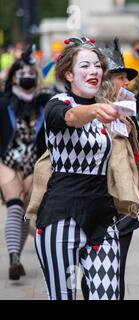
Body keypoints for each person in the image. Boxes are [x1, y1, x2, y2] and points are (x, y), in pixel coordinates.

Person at [33, 37, 125, 300]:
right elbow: (72, 118)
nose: (94, 71)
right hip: (61, 218)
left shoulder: (108, 109)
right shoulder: (57, 104)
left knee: (107, 296)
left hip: (102, 218)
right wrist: (95, 110)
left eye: (97, 65)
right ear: (69, 74)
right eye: (85, 66)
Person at [77, 37, 139, 300]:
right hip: (89, 208)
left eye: (126, 78)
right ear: (104, 79)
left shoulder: (125, 112)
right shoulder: (82, 111)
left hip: (121, 210)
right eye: (120, 77)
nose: (125, 83)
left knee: (115, 278)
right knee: (93, 277)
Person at [0, 45, 49, 280]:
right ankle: (13, 258)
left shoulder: (44, 102)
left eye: (31, 73)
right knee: (14, 206)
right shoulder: (4, 103)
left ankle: (16, 257)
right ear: (14, 77)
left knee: (26, 214)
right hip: (7, 162)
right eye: (22, 74)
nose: (27, 77)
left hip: (34, 163)